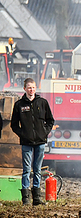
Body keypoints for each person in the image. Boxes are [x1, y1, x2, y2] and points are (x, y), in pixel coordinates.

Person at [10, 78, 55, 206]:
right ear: (24, 89)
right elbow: (14, 125)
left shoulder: (43, 102)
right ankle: (25, 199)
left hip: (40, 142)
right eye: (29, 87)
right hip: (26, 143)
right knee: (26, 170)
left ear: (36, 88)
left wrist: (44, 132)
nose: (31, 90)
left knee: (37, 170)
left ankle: (37, 198)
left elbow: (50, 120)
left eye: (33, 87)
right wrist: (23, 135)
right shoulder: (19, 105)